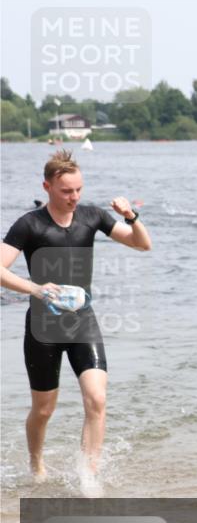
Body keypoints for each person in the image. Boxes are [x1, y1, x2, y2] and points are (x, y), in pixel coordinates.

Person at [1, 150, 152, 496]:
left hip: (83, 321)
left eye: (79, 190)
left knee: (96, 399)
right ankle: (36, 465)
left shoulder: (92, 216)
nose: (74, 197)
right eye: (67, 191)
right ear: (47, 187)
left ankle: (88, 477)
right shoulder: (29, 224)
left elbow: (142, 245)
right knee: (43, 410)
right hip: (43, 327)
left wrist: (131, 216)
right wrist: (35, 289)